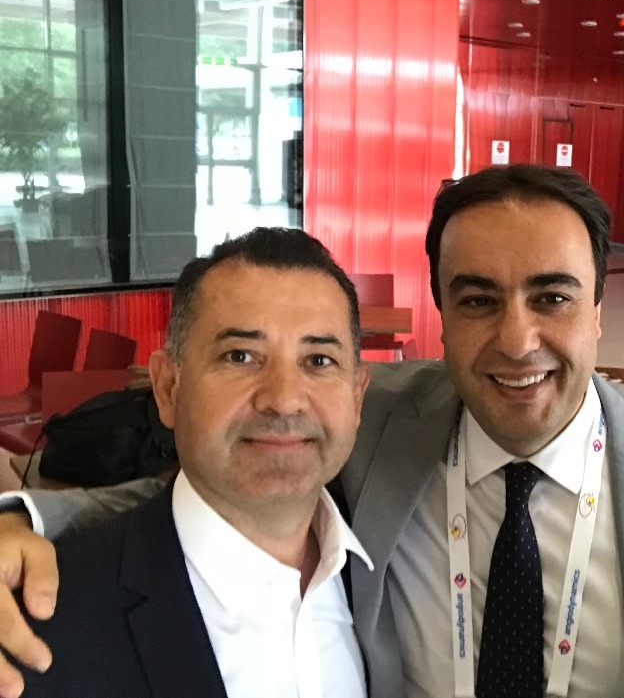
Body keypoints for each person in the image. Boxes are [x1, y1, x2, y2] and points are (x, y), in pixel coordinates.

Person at [0, 165, 624, 698]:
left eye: (552, 298)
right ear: (442, 316)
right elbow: (221, 483)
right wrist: (23, 520)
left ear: (600, 311)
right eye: (477, 300)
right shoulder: (374, 417)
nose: (516, 340)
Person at [14, 228, 373, 697]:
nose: (284, 399)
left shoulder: (388, 576)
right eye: (240, 356)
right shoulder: (39, 631)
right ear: (167, 388)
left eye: (319, 360)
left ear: (358, 395)